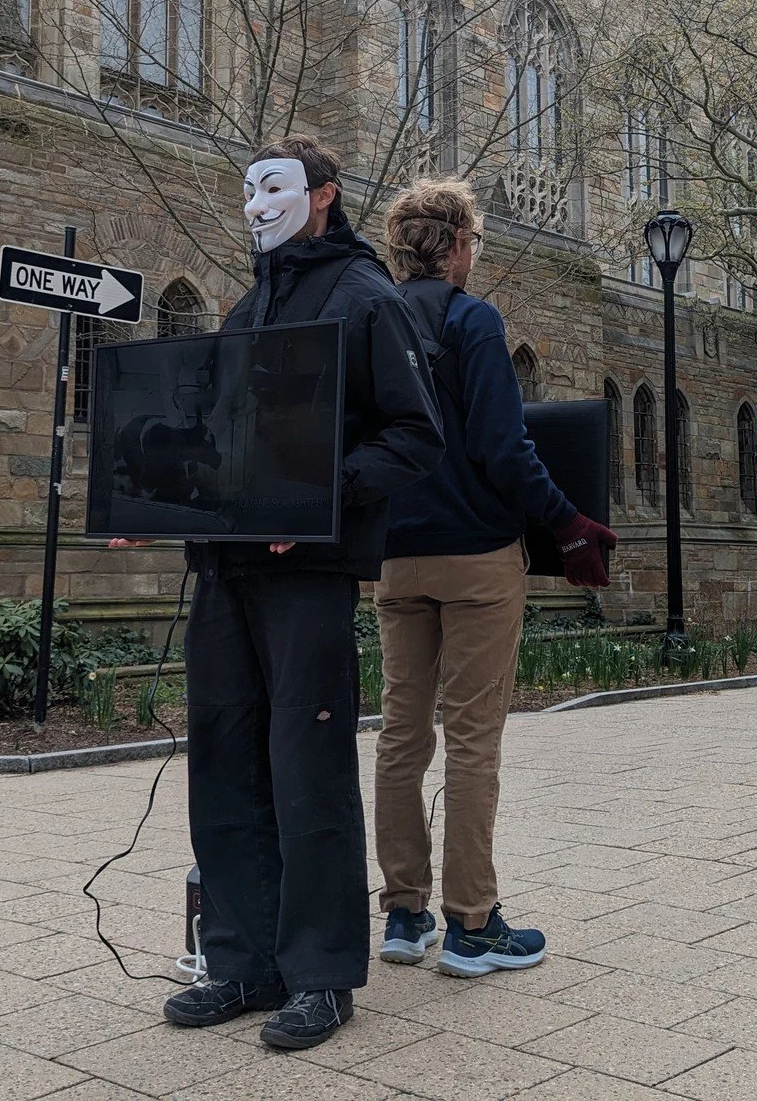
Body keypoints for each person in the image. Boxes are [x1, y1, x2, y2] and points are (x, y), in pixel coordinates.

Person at [148, 139, 444, 1049]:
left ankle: (320, 975)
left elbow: (413, 437)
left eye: (273, 188)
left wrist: (320, 497)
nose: (255, 205)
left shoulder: (366, 298)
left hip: (305, 578)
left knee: (307, 772)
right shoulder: (245, 309)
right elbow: (220, 435)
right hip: (227, 573)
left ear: (323, 197)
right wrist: (152, 484)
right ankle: (241, 961)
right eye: (247, 190)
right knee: (225, 764)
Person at [374, 178, 618, 978]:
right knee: (472, 739)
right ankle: (473, 925)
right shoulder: (472, 318)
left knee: (401, 736)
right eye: (473, 242)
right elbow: (504, 448)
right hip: (478, 556)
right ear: (452, 246)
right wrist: (569, 524)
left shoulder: (369, 315)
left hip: (397, 557)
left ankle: (405, 915)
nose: (475, 255)